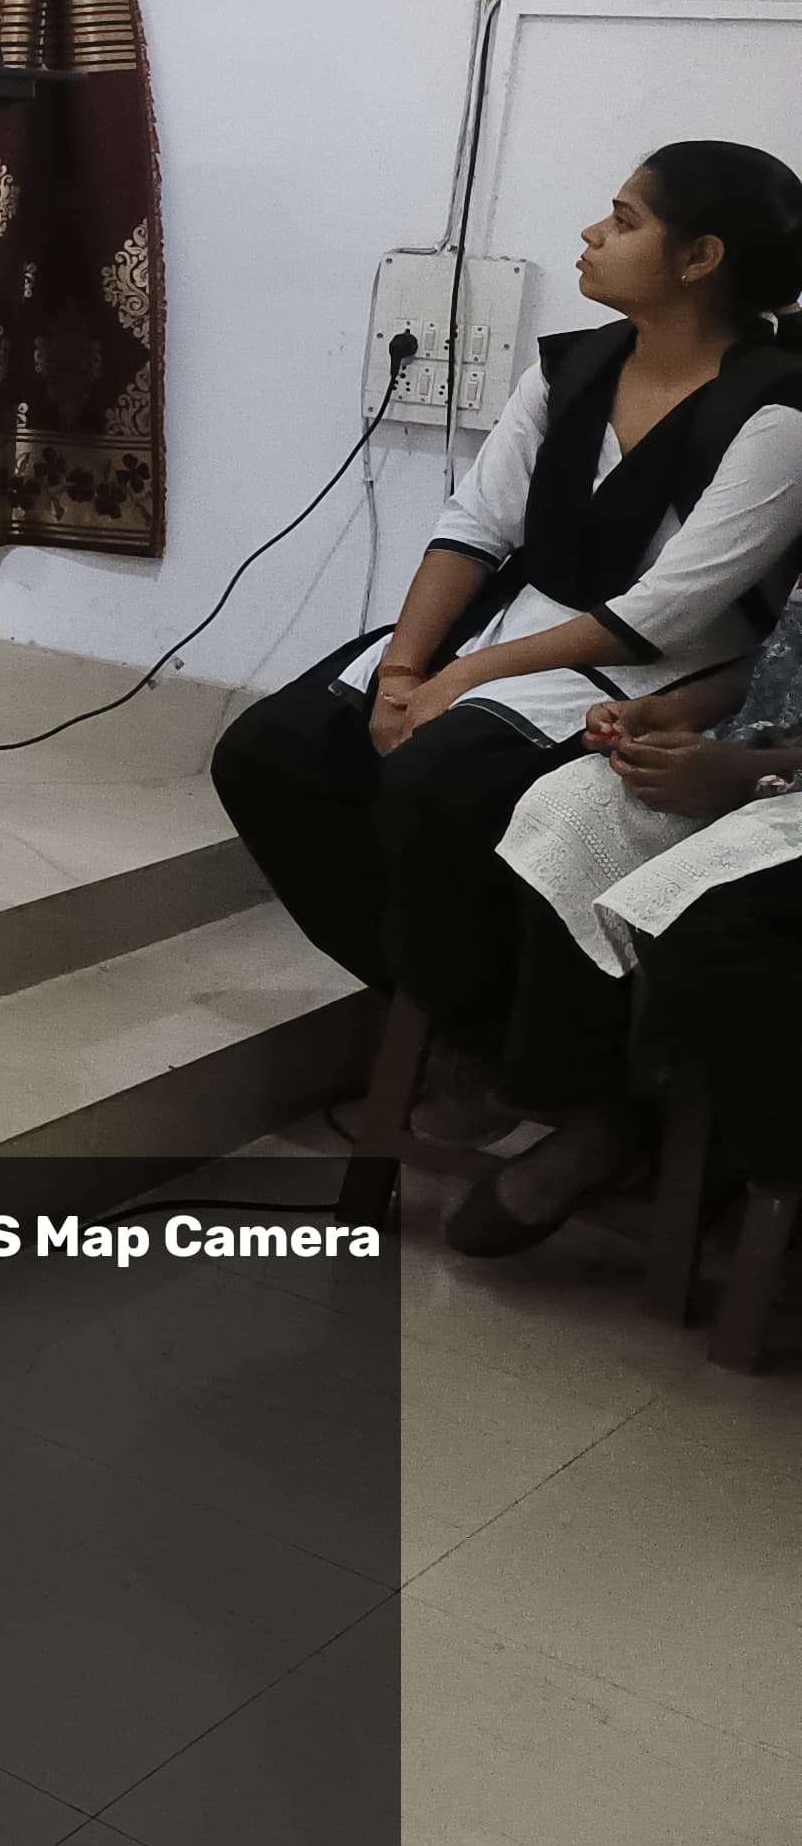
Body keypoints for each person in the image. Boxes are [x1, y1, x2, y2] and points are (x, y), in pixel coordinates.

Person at [210, 144, 802, 1144]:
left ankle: (518, 1060)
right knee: (270, 754)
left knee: (436, 780)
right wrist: (405, 669)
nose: (592, 235)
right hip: (518, 629)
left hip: (656, 665)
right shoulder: (574, 368)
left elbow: (659, 614)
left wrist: (461, 680)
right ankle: (468, 1024)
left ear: (700, 258)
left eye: (624, 221)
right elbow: (473, 529)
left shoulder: (775, 413)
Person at [465, 607, 802, 1255]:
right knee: (566, 809)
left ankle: (740, 1160)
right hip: (762, 751)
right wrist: (670, 712)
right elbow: (783, 652)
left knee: (698, 912)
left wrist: (747, 773)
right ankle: (597, 1119)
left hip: (778, 775)